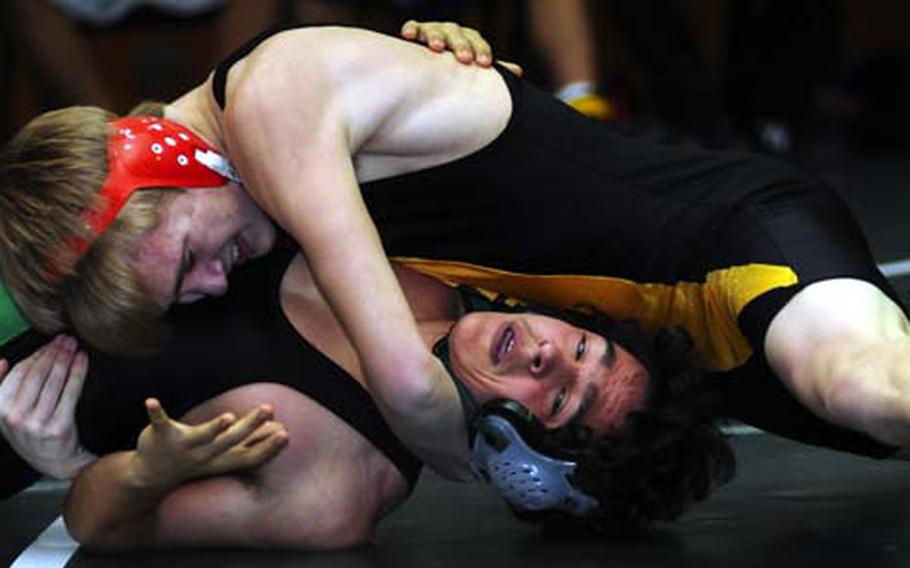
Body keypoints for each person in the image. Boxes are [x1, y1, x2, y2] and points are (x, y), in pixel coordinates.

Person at [1, 21, 908, 511]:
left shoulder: (280, 98)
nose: (209, 282)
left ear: (176, 155)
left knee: (863, 393)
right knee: (868, 433)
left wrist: (482, 449)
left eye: (196, 258)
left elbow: (412, 392)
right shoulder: (219, 203)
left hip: (732, 236)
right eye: (187, 282)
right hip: (637, 355)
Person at [61, 237, 728, 549]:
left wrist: (148, 474)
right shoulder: (431, 255)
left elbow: (96, 521)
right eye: (582, 346)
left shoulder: (330, 495)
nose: (547, 351)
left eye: (556, 400)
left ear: (519, 461)